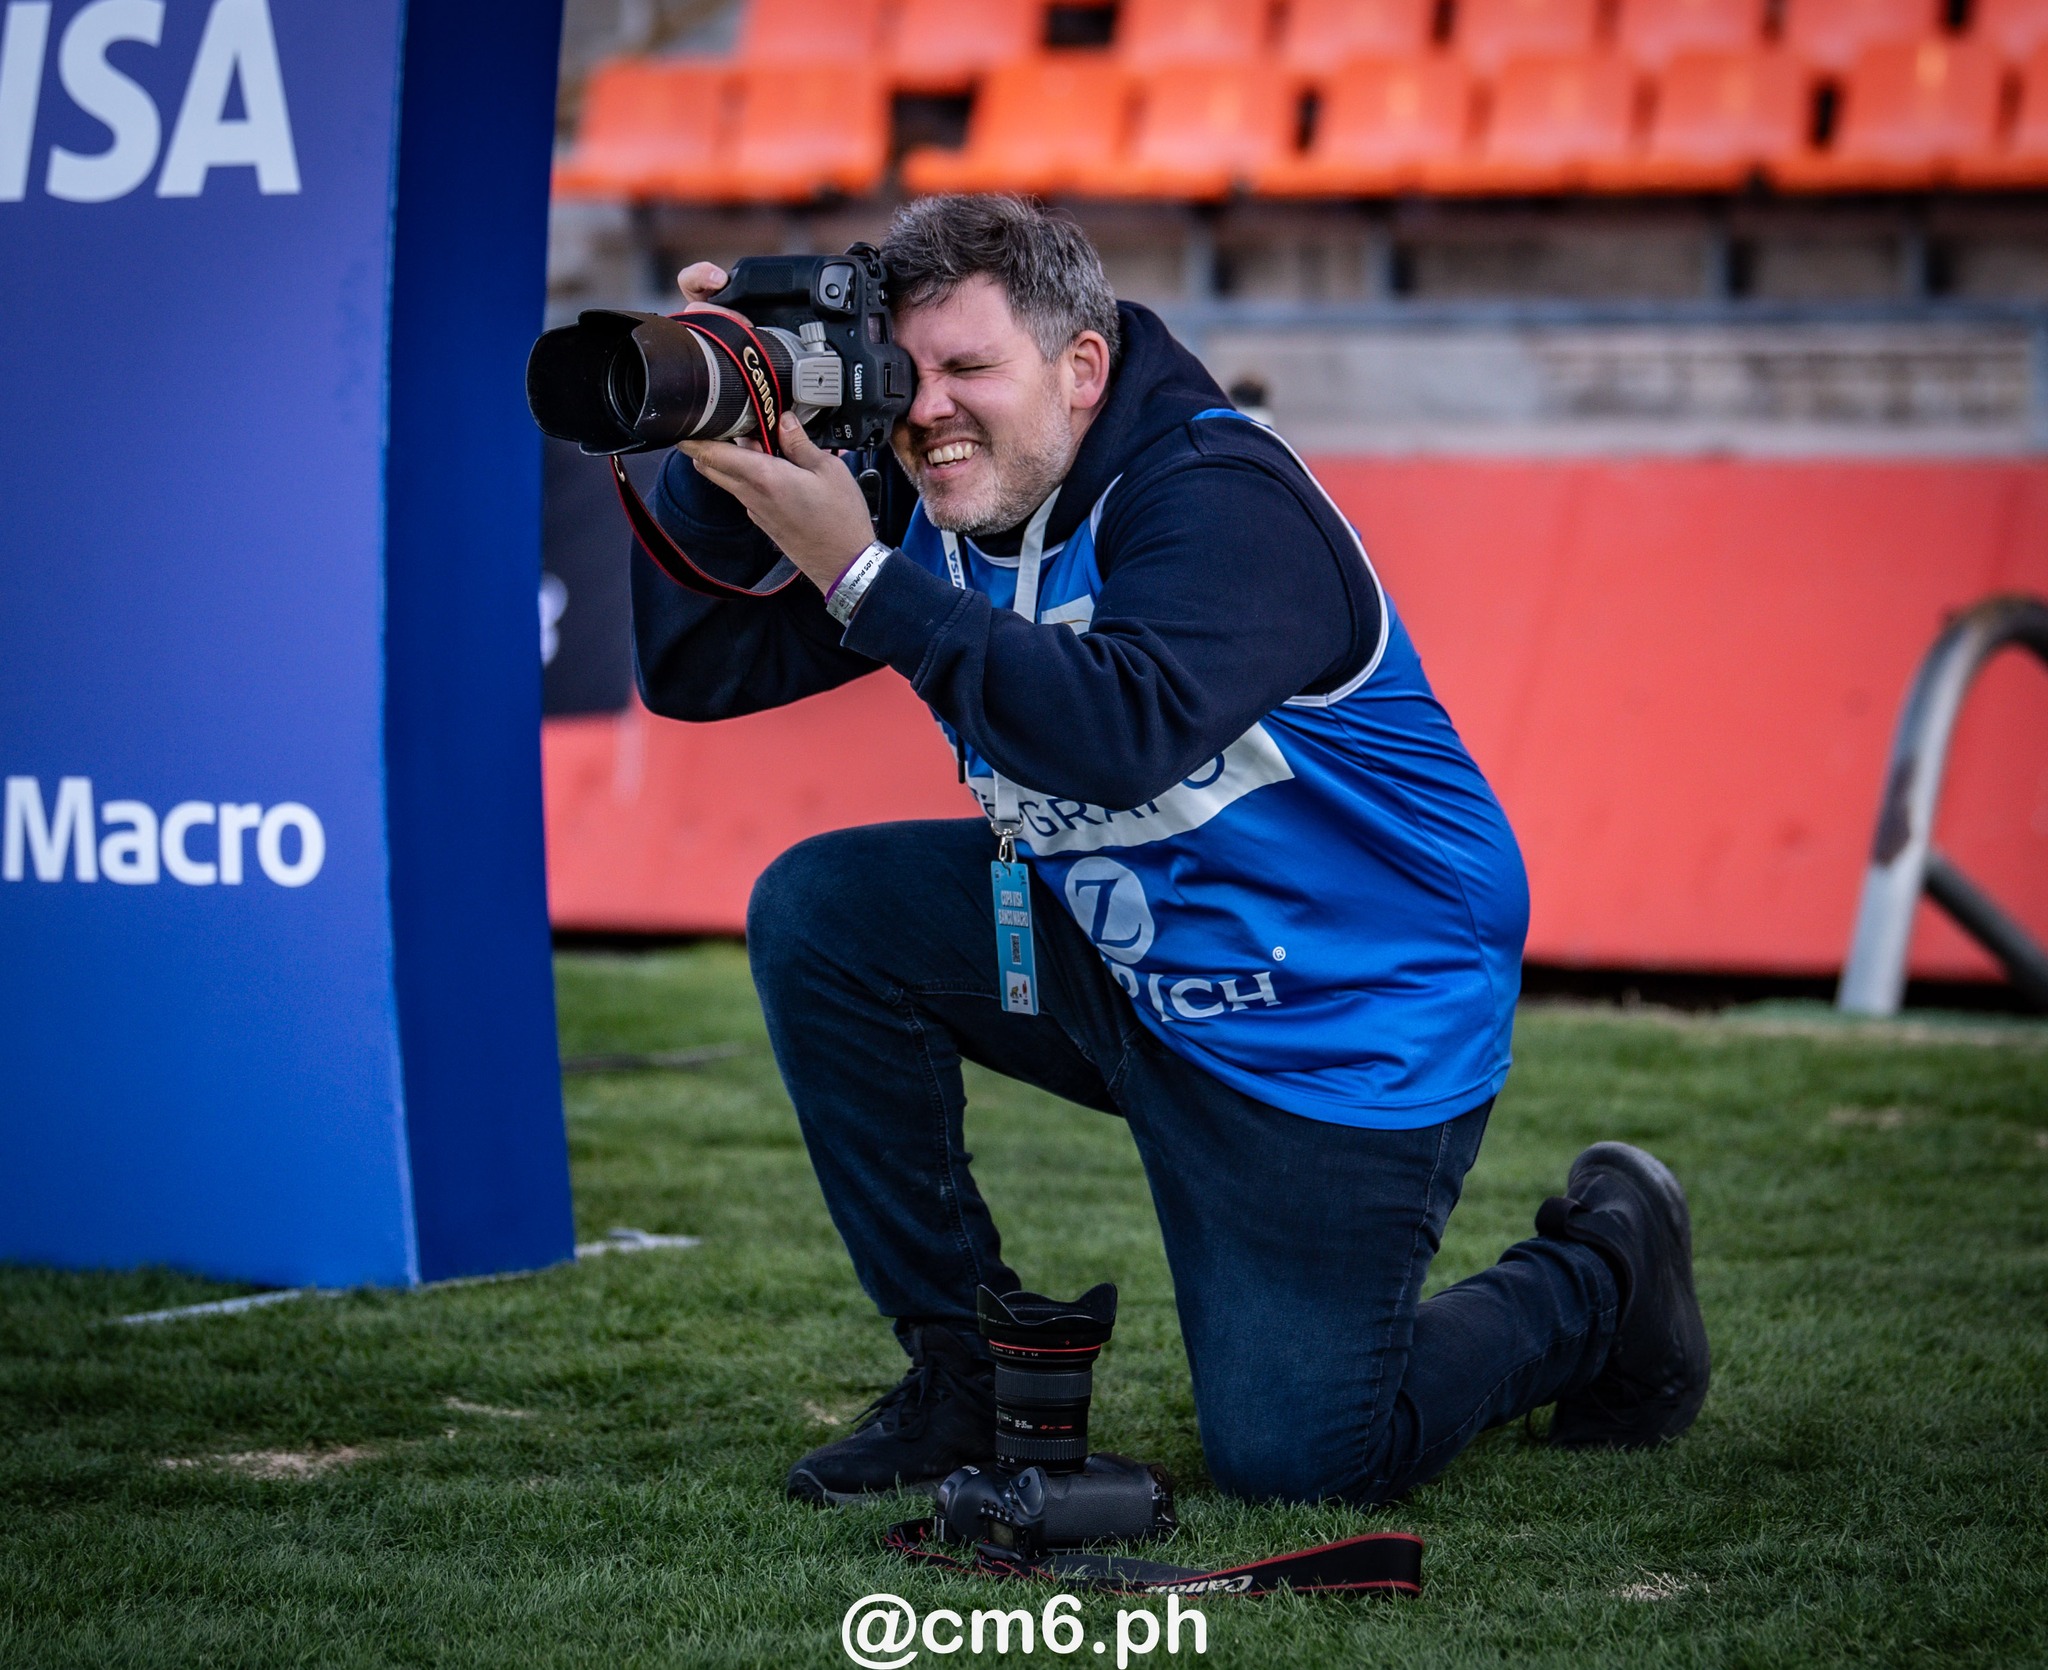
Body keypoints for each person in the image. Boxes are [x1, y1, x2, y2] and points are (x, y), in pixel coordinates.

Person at [632, 194, 1710, 1507]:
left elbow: (1115, 731)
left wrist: (864, 582)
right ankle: (967, 1379)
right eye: (907, 380)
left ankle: (1607, 1273)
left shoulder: (1217, 495)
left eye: (973, 370)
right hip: (1119, 951)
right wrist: (716, 446)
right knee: (823, 914)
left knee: (1303, 1456)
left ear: (1083, 366)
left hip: (1340, 1017)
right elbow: (702, 666)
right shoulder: (948, 480)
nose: (930, 414)